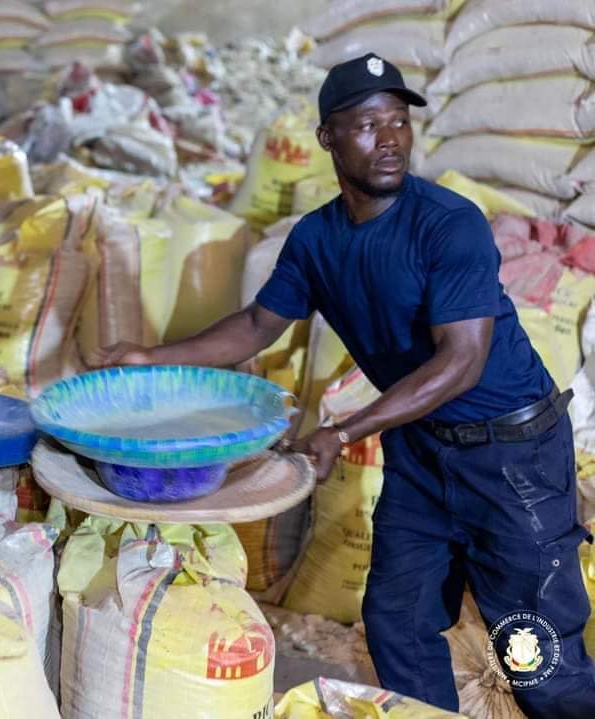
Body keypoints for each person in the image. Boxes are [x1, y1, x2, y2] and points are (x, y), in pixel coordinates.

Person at [91, 52, 595, 718]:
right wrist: (149, 357)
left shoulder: (449, 224)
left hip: (512, 456)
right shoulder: (316, 238)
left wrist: (345, 429)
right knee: (396, 617)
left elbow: (461, 361)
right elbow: (254, 325)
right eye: (365, 124)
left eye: (398, 122)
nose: (389, 139)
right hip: (422, 450)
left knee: (536, 658)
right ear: (327, 136)